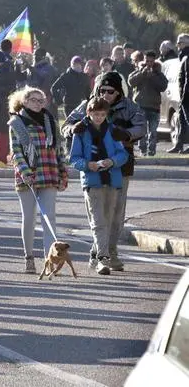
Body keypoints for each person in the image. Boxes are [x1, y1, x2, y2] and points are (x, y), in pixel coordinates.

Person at [63, 73, 144, 271]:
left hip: (120, 166)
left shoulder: (130, 107)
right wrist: (74, 128)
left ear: (119, 91)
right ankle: (103, 256)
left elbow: (142, 128)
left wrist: (126, 134)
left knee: (116, 215)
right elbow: (65, 125)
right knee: (97, 216)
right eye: (102, 90)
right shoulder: (87, 105)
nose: (105, 94)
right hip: (91, 171)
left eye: (110, 91)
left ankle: (109, 252)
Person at [8, 88, 68, 274]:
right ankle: (29, 257)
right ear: (24, 102)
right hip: (28, 177)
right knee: (29, 218)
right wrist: (25, 172)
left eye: (40, 100)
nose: (37, 103)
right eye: (33, 100)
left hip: (49, 173)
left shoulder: (50, 121)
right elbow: (16, 152)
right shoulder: (16, 122)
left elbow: (59, 148)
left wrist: (63, 172)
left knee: (49, 217)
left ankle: (49, 260)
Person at [69, 97, 128, 276]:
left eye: (102, 114)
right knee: (98, 222)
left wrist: (112, 161)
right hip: (92, 182)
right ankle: (103, 260)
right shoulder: (80, 131)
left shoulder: (112, 130)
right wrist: (88, 165)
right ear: (89, 113)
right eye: (95, 114)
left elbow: (123, 154)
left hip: (111, 180)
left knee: (108, 221)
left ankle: (95, 254)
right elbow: (73, 159)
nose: (99, 117)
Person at [128, 51, 168, 157]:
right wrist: (142, 74)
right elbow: (131, 82)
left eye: (151, 61)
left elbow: (163, 86)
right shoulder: (139, 71)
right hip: (141, 106)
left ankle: (152, 150)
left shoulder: (158, 73)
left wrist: (152, 76)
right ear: (144, 60)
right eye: (147, 60)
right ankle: (143, 149)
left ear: (154, 61)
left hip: (154, 107)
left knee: (153, 131)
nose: (149, 63)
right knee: (142, 130)